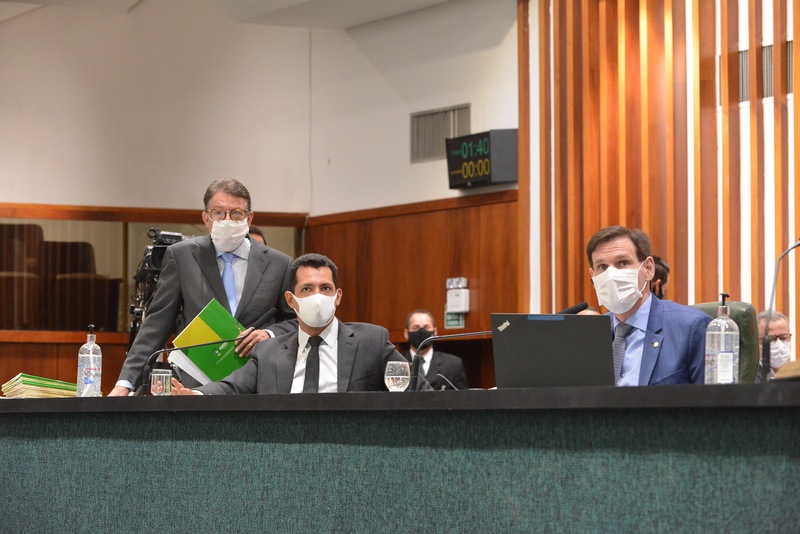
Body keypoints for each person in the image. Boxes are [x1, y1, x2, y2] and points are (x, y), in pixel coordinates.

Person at [109, 178, 296, 396]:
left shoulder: (279, 264)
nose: (227, 220)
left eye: (236, 213)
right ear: (206, 218)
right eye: (218, 213)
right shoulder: (182, 256)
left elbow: (295, 322)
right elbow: (157, 324)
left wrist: (269, 334)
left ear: (249, 217)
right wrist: (125, 383)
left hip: (256, 383)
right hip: (194, 385)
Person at [172, 253, 421, 394]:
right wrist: (196, 394)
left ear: (338, 296)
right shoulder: (268, 352)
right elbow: (231, 387)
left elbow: (420, 390)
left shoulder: (371, 341)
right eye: (307, 289)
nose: (317, 296)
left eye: (325, 288)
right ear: (291, 300)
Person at [586, 226, 712, 385]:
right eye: (602, 267)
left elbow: (714, 398)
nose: (611, 275)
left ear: (648, 268)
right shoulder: (590, 336)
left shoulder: (691, 327)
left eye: (623, 263)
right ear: (593, 277)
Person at [403, 309, 468, 390]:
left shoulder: (453, 364)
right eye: (416, 327)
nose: (422, 331)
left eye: (427, 327)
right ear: (406, 333)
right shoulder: (397, 362)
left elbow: (463, 396)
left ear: (435, 332)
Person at [756, 310, 793, 382]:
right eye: (771, 339)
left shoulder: (795, 373)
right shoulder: (748, 378)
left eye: (783, 337)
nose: (779, 344)